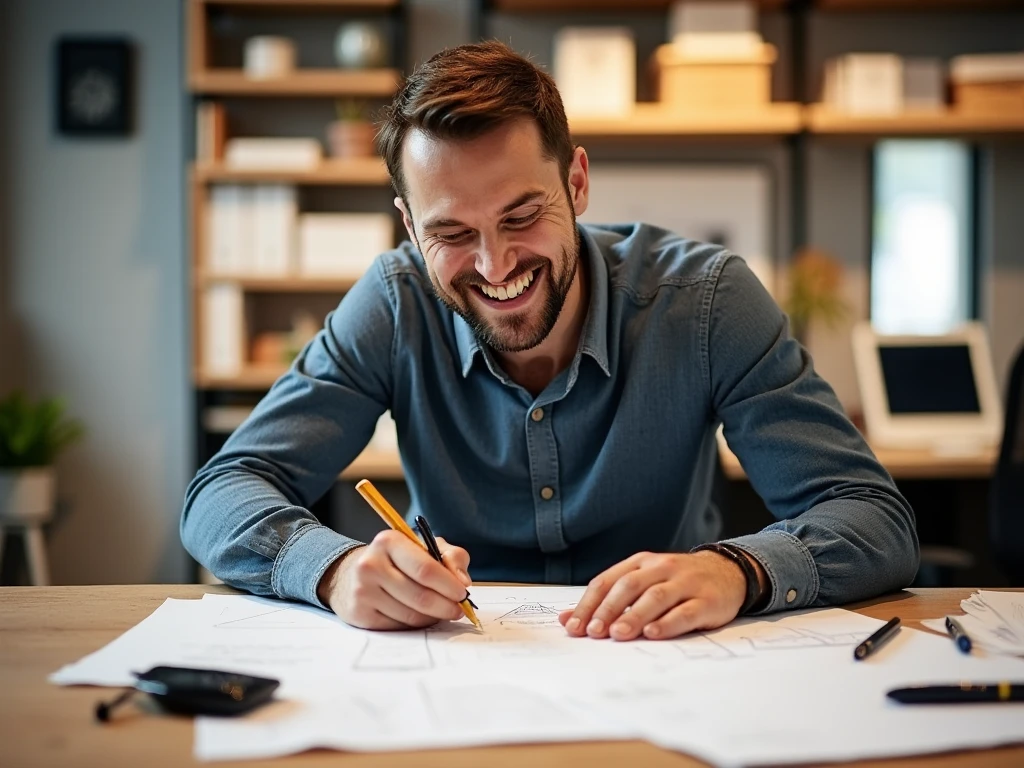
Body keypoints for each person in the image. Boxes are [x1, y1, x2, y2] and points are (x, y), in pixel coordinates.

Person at [181, 41, 918, 642]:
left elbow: (873, 517)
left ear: (577, 181)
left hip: (662, 663)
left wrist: (739, 571)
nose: (496, 265)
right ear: (411, 227)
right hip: (457, 670)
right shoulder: (396, 302)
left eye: (522, 215)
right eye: (453, 233)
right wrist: (334, 570)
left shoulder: (707, 301)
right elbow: (221, 492)